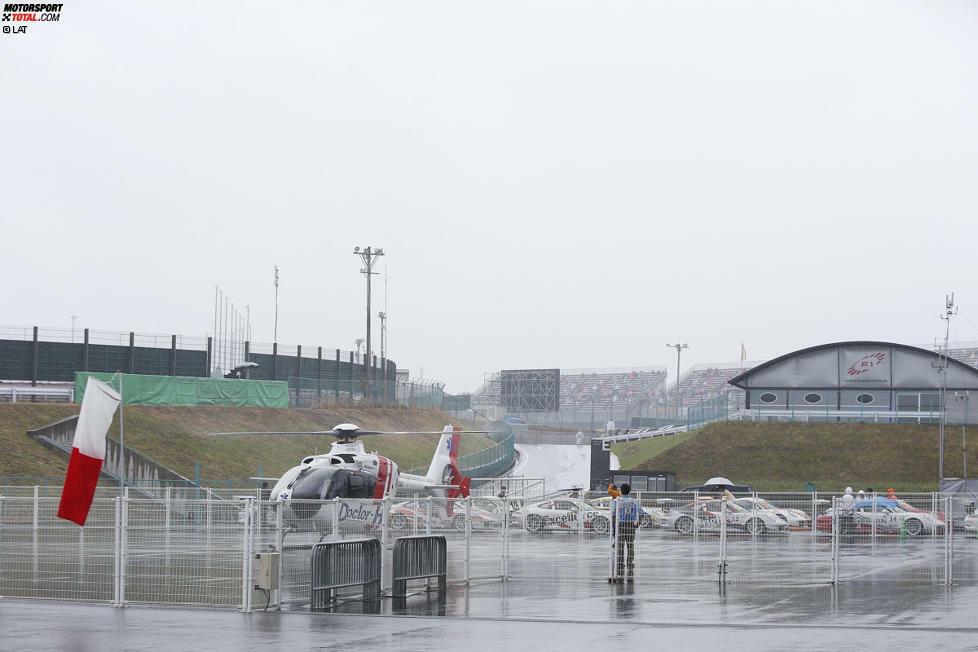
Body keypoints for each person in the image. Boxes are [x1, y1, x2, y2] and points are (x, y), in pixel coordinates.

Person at [611, 483, 640, 582]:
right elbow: (641, 513)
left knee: (620, 545)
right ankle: (629, 563)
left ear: (621, 490)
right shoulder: (634, 501)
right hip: (631, 525)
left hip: (620, 524)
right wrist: (638, 523)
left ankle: (620, 563)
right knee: (630, 545)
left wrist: (616, 525)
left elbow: (614, 514)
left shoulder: (617, 501)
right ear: (629, 491)